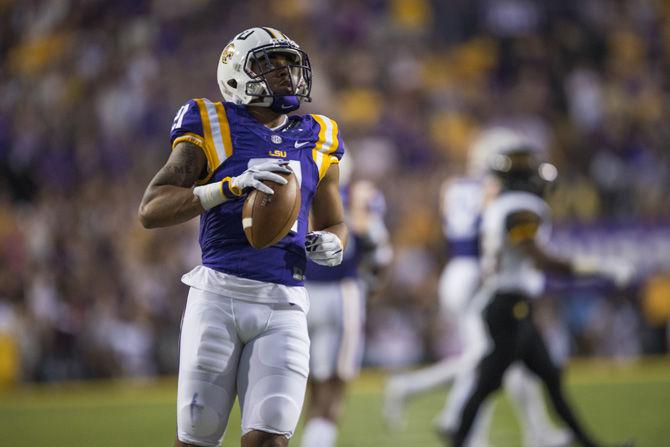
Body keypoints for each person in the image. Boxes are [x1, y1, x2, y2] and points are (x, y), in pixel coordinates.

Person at [138, 27, 348, 447]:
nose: (285, 74)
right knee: (197, 440)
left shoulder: (318, 135)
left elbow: (334, 221)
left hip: (284, 301)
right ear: (236, 72)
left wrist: (334, 243)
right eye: (270, 64)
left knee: (271, 440)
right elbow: (152, 208)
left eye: (289, 63)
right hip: (218, 297)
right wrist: (228, 187)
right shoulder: (210, 121)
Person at [384, 128, 571, 447]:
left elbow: (451, 229)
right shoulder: (493, 188)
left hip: (456, 270)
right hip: (478, 272)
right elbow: (493, 232)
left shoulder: (454, 186)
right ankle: (456, 417)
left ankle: (531, 429)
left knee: (494, 356)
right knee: (491, 357)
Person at [447, 143, 634, 447]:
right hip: (508, 306)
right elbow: (542, 260)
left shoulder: (501, 206)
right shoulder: (519, 208)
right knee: (487, 383)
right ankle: (457, 438)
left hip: (512, 303)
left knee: (550, 379)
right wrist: (601, 268)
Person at [300, 157, 393, 447]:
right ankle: (318, 442)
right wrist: (372, 288)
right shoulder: (359, 196)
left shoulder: (299, 192)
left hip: (301, 293)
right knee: (336, 383)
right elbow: (379, 254)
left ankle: (311, 438)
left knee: (311, 380)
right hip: (342, 292)